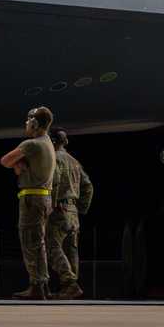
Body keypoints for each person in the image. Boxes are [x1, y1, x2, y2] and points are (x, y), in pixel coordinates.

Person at [0, 106, 56, 300]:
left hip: (32, 199)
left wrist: (16, 164)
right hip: (44, 197)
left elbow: (4, 161)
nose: (26, 123)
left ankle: (37, 286)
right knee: (39, 243)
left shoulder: (31, 144)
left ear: (35, 123)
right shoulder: (47, 142)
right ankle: (43, 284)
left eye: (29, 120)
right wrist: (20, 164)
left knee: (30, 242)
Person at [46, 128, 94, 300]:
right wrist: (81, 208)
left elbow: (56, 181)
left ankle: (70, 283)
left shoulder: (55, 158)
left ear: (52, 141)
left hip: (59, 208)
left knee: (52, 247)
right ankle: (69, 289)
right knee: (71, 250)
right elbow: (88, 186)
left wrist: (52, 204)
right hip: (73, 211)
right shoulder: (74, 161)